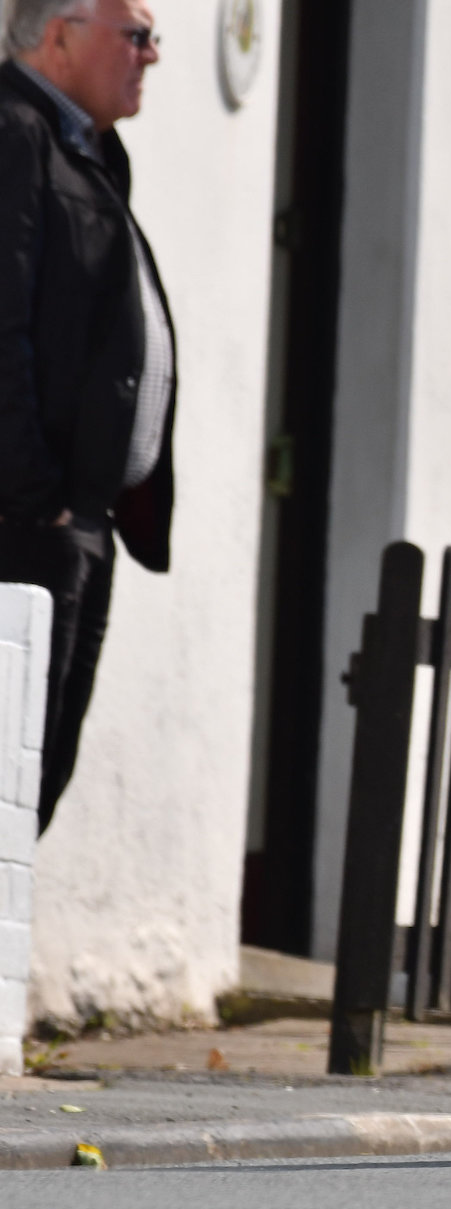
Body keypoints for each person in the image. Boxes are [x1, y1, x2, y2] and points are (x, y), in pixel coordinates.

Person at [0, 0, 170, 832]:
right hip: (30, 523)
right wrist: (33, 492)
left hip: (79, 523)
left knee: (37, 777)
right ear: (60, 34)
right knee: (9, 777)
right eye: (134, 34)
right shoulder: (16, 132)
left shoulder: (90, 152)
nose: (153, 55)